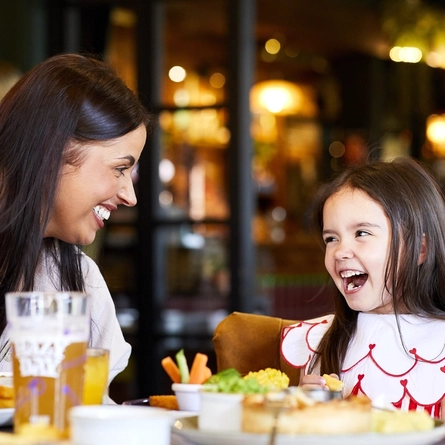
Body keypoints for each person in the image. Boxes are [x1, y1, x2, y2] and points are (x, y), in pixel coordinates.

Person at [0, 53, 153, 389]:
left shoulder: (80, 281)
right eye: (119, 169)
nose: (130, 195)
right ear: (53, 150)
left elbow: (95, 413)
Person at [281, 157, 445, 419]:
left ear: (420, 250)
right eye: (331, 238)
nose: (340, 252)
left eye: (362, 233)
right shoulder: (320, 344)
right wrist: (302, 413)